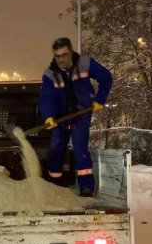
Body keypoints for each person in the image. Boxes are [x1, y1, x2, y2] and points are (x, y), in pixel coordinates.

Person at [38, 37, 113, 197]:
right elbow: (46, 98)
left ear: (71, 52)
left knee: (80, 149)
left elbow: (106, 78)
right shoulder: (50, 74)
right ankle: (54, 186)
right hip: (60, 117)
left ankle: (86, 188)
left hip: (81, 113)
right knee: (56, 149)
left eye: (64, 54)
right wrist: (49, 116)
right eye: (57, 55)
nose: (61, 59)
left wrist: (99, 99)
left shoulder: (85, 64)